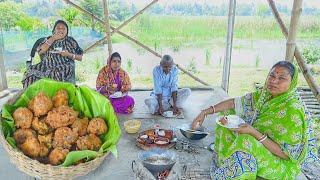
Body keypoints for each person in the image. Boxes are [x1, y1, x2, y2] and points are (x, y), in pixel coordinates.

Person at [192, 61, 308, 179]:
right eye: (272, 75)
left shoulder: (293, 110)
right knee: (225, 117)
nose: (274, 81)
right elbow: (235, 102)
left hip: (280, 163)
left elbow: (287, 155)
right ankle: (227, 163)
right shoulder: (265, 95)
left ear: (292, 83)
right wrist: (205, 112)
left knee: (245, 139)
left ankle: (239, 173)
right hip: (261, 145)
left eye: (281, 78)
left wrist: (253, 132)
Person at [22, 20, 83, 88]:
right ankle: (34, 96)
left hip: (64, 65)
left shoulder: (71, 41)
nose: (60, 30)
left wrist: (68, 54)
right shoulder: (49, 39)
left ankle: (58, 95)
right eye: (58, 28)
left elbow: (80, 57)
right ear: (54, 30)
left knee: (57, 72)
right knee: (30, 73)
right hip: (46, 65)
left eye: (63, 28)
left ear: (67, 31)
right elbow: (40, 51)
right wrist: (53, 38)